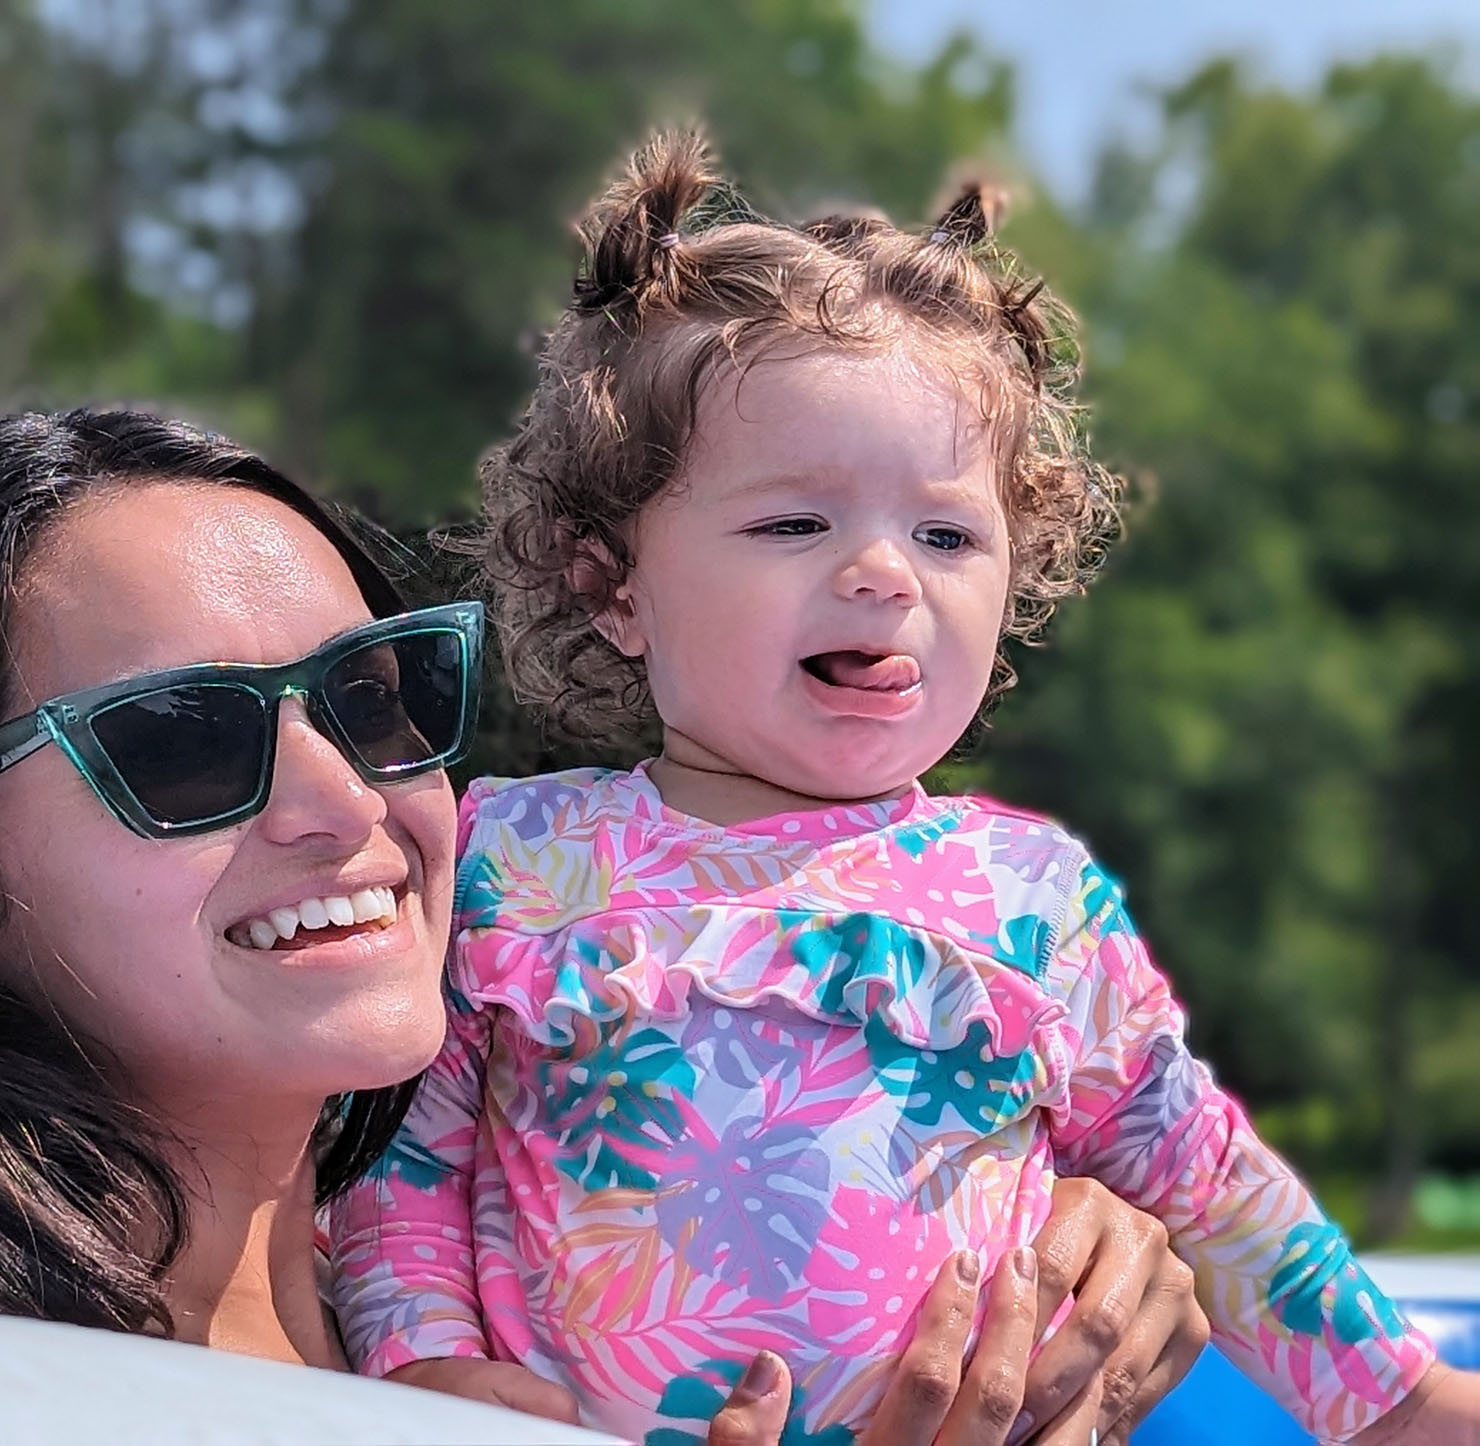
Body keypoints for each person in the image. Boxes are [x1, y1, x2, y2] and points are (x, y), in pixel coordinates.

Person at [0, 408, 1205, 1444]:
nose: (344, 799)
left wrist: (1014, 1230)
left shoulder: (494, 1295)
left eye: (378, 696)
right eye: (185, 738)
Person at [327, 134, 1480, 1446]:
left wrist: (1401, 1402)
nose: (886, 572)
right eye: (794, 523)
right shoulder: (516, 856)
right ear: (613, 585)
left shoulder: (1030, 896)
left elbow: (1204, 1176)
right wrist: (421, 1357)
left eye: (946, 533)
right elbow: (402, 1157)